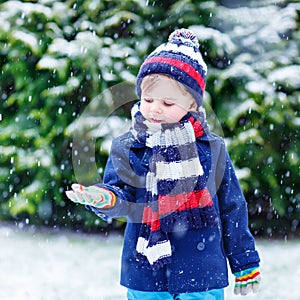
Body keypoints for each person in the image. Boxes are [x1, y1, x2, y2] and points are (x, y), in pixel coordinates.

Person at [66, 28, 261, 300]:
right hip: (145, 272)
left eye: (168, 102)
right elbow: (123, 196)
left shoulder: (212, 148)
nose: (155, 108)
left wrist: (245, 261)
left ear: (192, 103)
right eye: (148, 99)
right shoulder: (127, 146)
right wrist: (105, 197)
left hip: (201, 275)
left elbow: (232, 207)